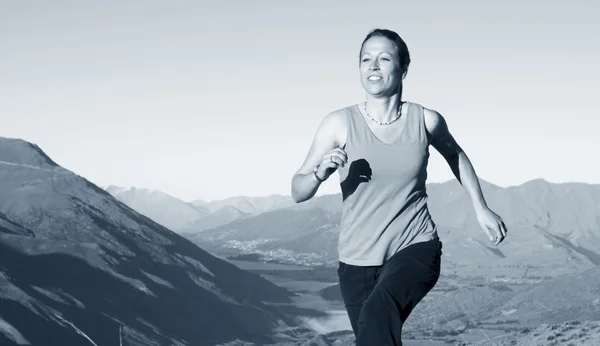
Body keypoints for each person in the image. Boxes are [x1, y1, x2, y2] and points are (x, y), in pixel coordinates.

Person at [290, 28, 507, 345]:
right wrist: (319, 173)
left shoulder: (425, 120)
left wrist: (481, 207)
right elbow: (297, 190)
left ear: (404, 68)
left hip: (415, 246)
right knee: (374, 335)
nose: (373, 66)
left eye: (383, 58)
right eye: (366, 59)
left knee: (378, 315)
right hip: (357, 260)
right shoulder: (338, 123)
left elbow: (456, 154)